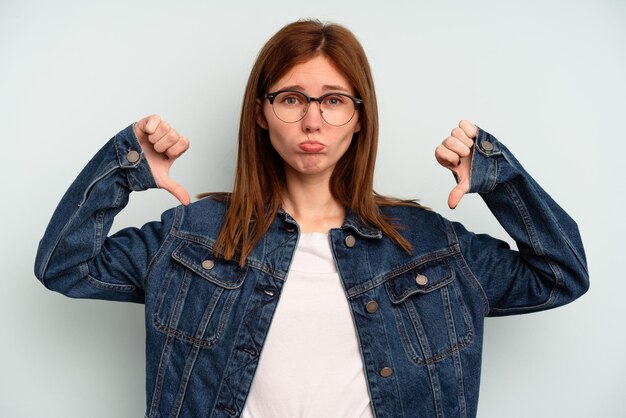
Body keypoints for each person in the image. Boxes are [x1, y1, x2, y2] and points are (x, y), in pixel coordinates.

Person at [35, 19, 589, 418]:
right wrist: (125, 165)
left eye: (333, 101)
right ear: (261, 113)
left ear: (357, 118)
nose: (311, 121)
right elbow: (64, 265)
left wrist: (500, 178)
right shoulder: (192, 236)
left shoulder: (428, 245)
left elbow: (560, 273)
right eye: (292, 98)